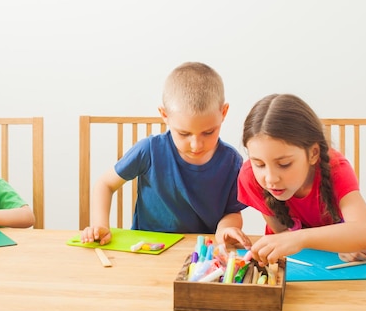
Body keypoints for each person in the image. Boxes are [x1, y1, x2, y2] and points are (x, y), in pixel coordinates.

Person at [81, 62, 250, 248]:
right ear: (164, 115)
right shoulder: (149, 150)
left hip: (199, 255)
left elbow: (232, 212)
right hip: (146, 250)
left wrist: (224, 231)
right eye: (184, 134)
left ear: (223, 113)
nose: (196, 145)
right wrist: (101, 224)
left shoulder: (232, 162)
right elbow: (105, 184)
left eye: (208, 132)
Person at [237, 93, 366, 266]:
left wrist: (345, 243)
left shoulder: (335, 168)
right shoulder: (250, 176)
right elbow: (281, 232)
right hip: (291, 264)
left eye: (284, 164)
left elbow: (365, 232)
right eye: (259, 164)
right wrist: (293, 239)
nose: (271, 178)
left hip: (333, 264)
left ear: (313, 154)